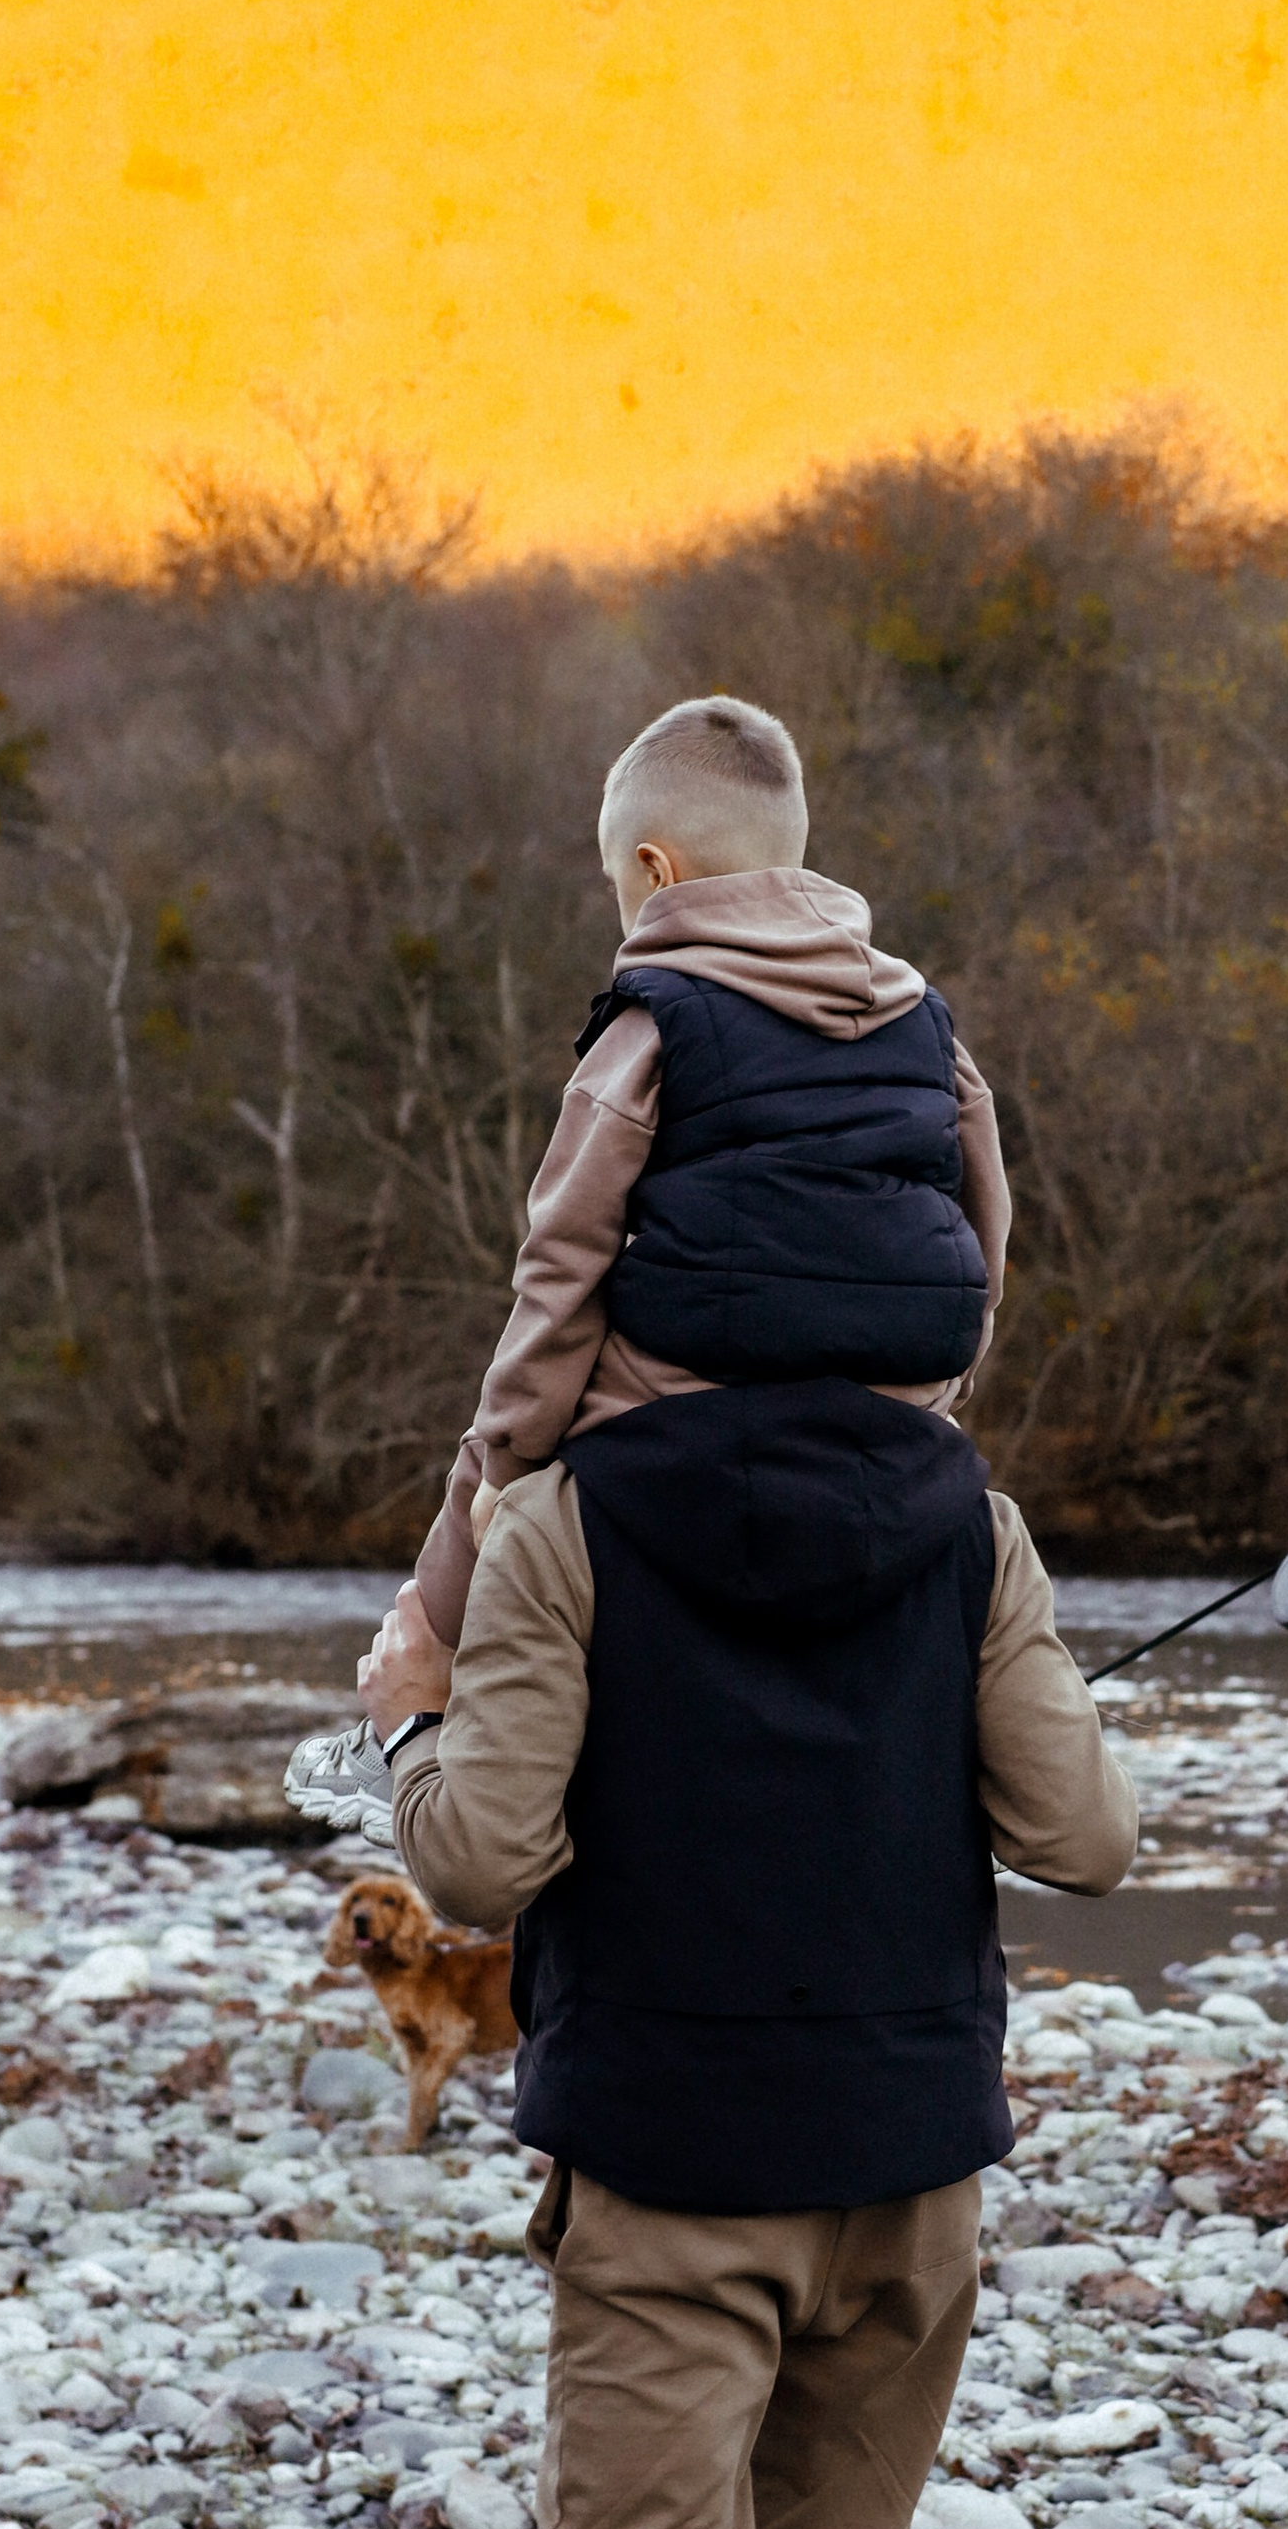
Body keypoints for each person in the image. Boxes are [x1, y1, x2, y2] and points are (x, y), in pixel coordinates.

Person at [356, 1376, 1136, 2529]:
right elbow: (1089, 1839)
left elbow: (474, 1857)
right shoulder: (972, 1521)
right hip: (913, 2152)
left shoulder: (563, 1516)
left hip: (677, 2159)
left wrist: (405, 1719)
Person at [291, 691, 1011, 1838]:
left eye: (617, 891)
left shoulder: (649, 1029)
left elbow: (556, 1284)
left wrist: (482, 1505)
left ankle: (411, 1731)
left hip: (671, 1431)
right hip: (893, 1436)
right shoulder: (925, 1022)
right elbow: (980, 1239)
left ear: (654, 867)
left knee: (505, 1518)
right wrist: (932, 1403)